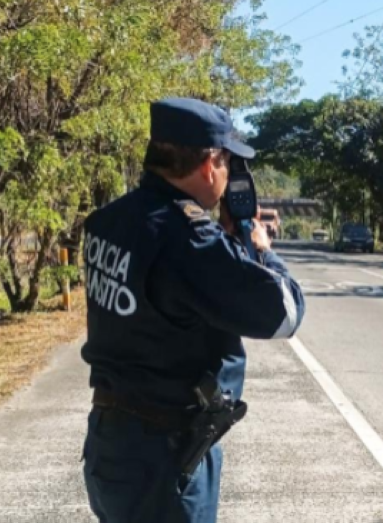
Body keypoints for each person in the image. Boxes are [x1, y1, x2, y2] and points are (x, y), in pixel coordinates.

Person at [79, 97, 306, 523]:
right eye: (228, 164)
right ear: (209, 164)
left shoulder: (109, 221)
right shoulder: (190, 240)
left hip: (110, 444)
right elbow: (284, 313)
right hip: (164, 458)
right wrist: (260, 250)